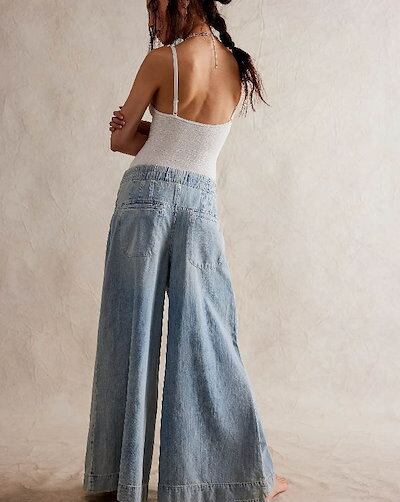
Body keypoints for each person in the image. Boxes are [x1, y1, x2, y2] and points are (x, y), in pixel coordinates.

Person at [83, 1, 288, 501]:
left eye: (155, 6)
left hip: (144, 199)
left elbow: (121, 141)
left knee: (129, 332)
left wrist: (140, 130)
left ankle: (116, 479)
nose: (152, 20)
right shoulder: (237, 67)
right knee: (209, 337)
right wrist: (159, 135)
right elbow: (195, 147)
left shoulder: (163, 62)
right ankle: (232, 477)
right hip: (201, 205)